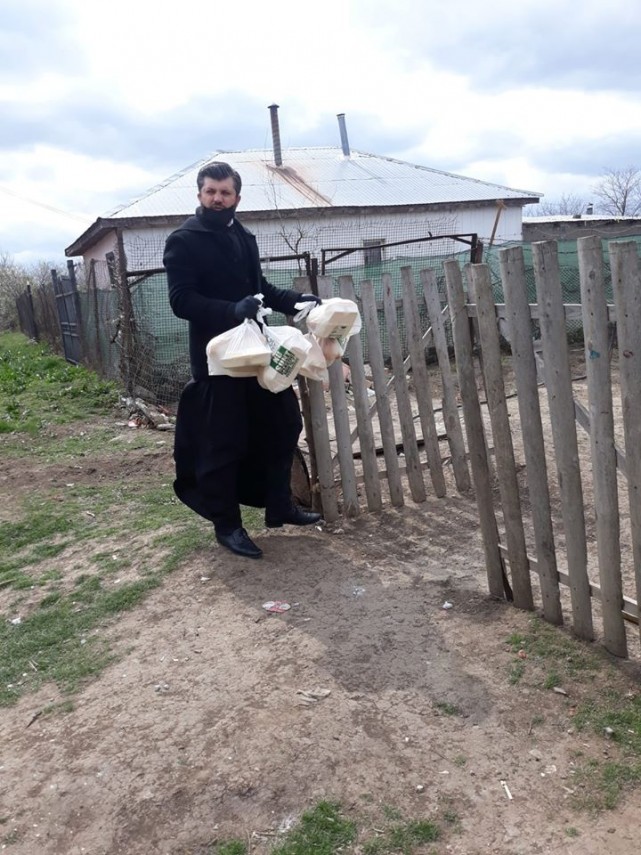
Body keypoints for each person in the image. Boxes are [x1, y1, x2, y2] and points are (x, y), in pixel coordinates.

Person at [163, 161, 322, 559]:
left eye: (225, 192)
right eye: (210, 192)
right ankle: (227, 526)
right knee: (224, 444)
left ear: (237, 197)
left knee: (284, 425)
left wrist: (292, 300)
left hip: (258, 356)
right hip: (219, 361)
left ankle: (279, 505)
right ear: (199, 194)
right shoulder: (184, 240)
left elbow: (259, 290)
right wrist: (233, 309)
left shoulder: (243, 236)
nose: (218, 199)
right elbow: (182, 301)